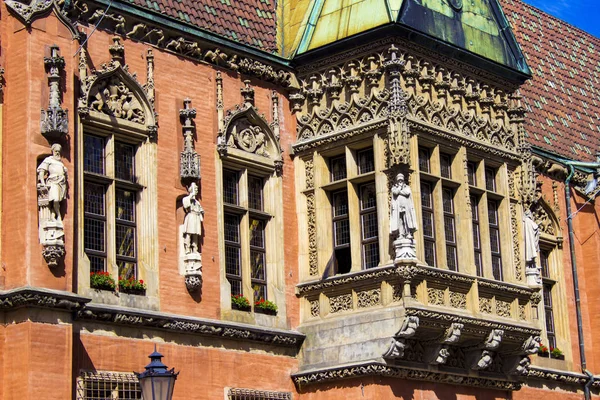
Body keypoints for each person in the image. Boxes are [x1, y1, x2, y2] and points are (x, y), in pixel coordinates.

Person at [37, 143, 67, 222]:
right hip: (53, 182)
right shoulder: (48, 160)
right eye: (56, 151)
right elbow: (41, 171)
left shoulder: (61, 163)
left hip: (61, 183)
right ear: (52, 151)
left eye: (59, 151)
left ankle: (53, 215)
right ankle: (58, 216)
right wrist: (43, 183)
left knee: (57, 201)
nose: (57, 153)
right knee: (55, 199)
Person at [390, 172, 417, 240]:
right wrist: (399, 188)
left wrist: (400, 191)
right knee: (400, 220)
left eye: (401, 180)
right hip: (398, 207)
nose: (400, 181)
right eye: (399, 180)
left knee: (406, 219)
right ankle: (401, 234)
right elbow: (395, 192)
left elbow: (407, 193)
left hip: (406, 206)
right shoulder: (394, 188)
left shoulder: (407, 187)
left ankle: (408, 233)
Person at [182, 182, 204, 254]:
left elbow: (200, 210)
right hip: (190, 216)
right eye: (195, 189)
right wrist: (191, 196)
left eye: (196, 189)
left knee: (195, 234)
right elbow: (186, 206)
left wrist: (201, 212)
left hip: (196, 217)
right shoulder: (186, 198)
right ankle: (187, 248)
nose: (196, 191)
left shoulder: (197, 202)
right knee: (189, 233)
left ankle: (195, 249)